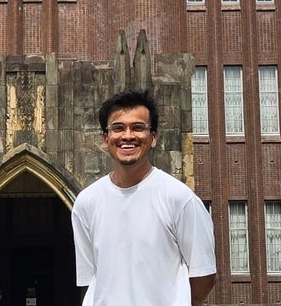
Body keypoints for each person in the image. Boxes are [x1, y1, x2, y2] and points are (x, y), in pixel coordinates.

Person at [71, 89, 216, 306]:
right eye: (118, 128)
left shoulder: (179, 199)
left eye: (138, 128)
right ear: (106, 138)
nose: (127, 136)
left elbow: (203, 275)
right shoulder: (86, 202)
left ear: (153, 137)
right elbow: (90, 279)